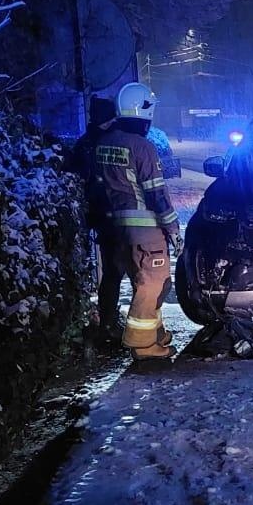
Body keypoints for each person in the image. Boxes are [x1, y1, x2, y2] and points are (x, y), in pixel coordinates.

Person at [85, 82, 181, 359]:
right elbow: (156, 194)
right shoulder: (142, 147)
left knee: (143, 284)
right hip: (145, 231)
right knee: (153, 285)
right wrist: (173, 229)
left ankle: (157, 335)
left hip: (115, 229)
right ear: (143, 111)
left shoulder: (104, 143)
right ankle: (142, 345)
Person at [68, 95, 124, 341]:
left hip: (99, 216)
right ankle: (122, 325)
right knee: (124, 273)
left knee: (111, 273)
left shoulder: (85, 143)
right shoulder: (114, 141)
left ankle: (108, 322)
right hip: (118, 216)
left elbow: (72, 173)